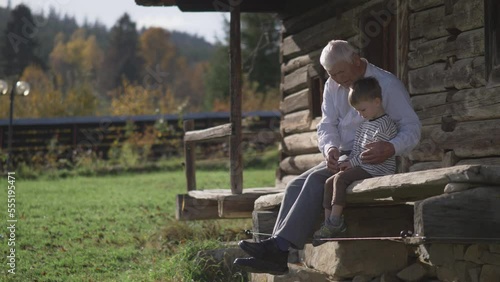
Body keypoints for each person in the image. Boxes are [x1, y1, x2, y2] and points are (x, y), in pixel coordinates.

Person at [233, 40, 421, 275]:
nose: (338, 79)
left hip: (374, 160)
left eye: (341, 72)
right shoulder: (333, 84)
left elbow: (412, 128)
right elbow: (327, 124)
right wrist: (330, 148)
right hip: (344, 156)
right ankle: (277, 251)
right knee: (293, 186)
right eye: (332, 75)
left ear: (356, 60)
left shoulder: (387, 84)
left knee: (314, 182)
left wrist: (391, 147)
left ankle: (279, 249)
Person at [312, 76, 398, 247]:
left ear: (377, 101)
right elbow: (358, 150)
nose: (360, 114)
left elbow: (369, 154)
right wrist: (347, 161)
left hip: (378, 168)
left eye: (362, 110)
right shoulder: (364, 125)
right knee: (329, 181)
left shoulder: (385, 125)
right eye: (357, 111)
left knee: (340, 179)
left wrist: (352, 164)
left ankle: (335, 222)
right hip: (363, 166)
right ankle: (328, 222)